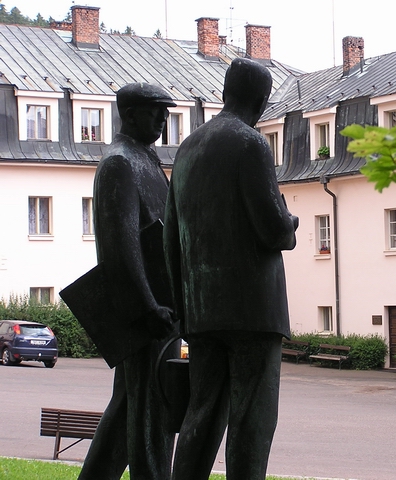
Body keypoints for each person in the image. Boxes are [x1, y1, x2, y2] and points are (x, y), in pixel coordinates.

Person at [164, 58, 299, 480]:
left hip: (202, 312)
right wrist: (290, 223)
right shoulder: (251, 143)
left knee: (201, 414)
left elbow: (171, 236)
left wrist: (182, 305)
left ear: (225, 92)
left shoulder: (188, 148)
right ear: (261, 101)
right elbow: (273, 229)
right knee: (251, 419)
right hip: (253, 311)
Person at [78, 83, 179, 480]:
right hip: (145, 313)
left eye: (166, 112)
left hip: (160, 306)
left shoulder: (146, 160)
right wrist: (146, 306)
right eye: (156, 111)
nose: (163, 119)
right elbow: (121, 248)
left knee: (129, 410)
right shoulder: (119, 163)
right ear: (131, 113)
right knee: (150, 414)